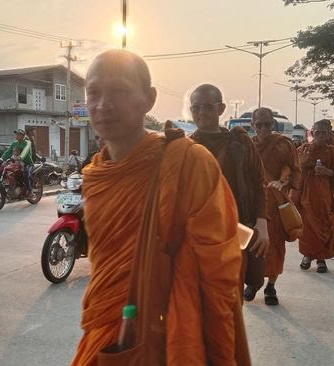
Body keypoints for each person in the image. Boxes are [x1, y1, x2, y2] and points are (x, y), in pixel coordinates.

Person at [72, 49, 250, 365]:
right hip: (109, 324)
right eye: (94, 93)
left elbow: (218, 269)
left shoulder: (189, 163)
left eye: (120, 91)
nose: (103, 105)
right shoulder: (95, 174)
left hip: (176, 333)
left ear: (149, 99)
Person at [189, 85, 269, 303]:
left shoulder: (240, 143)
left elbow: (258, 182)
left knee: (230, 298)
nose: (202, 113)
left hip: (236, 229)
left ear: (221, 108)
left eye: (208, 107)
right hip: (197, 236)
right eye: (196, 108)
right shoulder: (185, 147)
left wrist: (262, 223)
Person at [251, 106, 301, 305]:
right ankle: (253, 281)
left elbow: (296, 171)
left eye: (267, 124)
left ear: (273, 124)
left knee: (275, 246)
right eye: (259, 124)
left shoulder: (284, 144)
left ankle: (271, 285)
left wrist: (283, 183)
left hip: (276, 203)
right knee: (251, 244)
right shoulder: (247, 145)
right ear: (253, 125)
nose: (263, 128)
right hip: (253, 203)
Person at [292, 119, 334, 274]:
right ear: (311, 133)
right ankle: (307, 256)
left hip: (325, 195)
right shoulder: (303, 150)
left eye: (323, 133)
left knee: (325, 225)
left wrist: (327, 172)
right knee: (307, 226)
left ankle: (321, 259)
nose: (320, 136)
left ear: (329, 134)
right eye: (317, 133)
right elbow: (295, 172)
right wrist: (302, 164)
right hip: (306, 194)